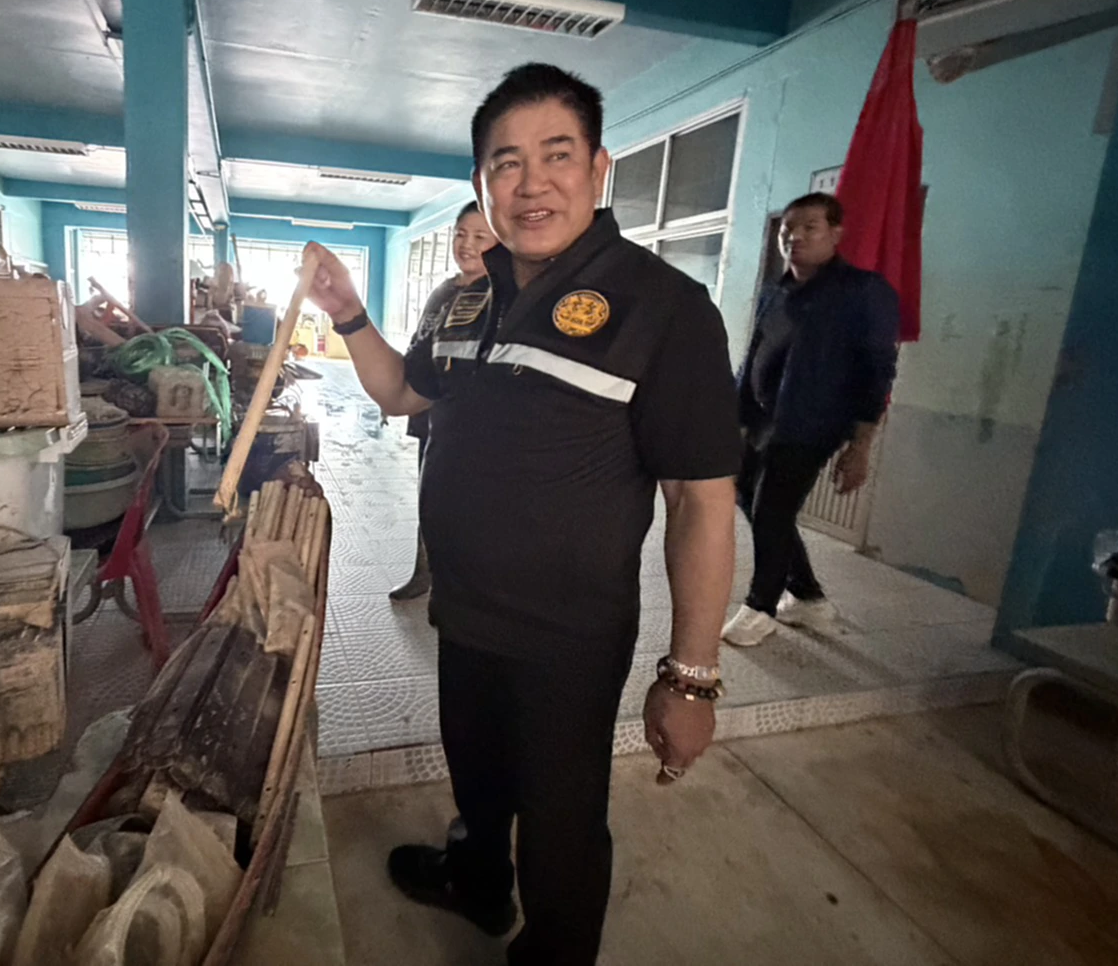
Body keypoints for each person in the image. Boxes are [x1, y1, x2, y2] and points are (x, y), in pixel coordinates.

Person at [303, 63, 742, 965]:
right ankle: (477, 882)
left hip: (567, 635)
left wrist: (690, 678)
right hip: (465, 612)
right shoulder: (469, 299)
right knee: (478, 776)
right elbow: (402, 395)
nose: (531, 182)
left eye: (556, 154)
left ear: (599, 168)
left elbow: (700, 502)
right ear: (481, 183)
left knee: (561, 823)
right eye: (506, 162)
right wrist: (346, 313)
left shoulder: (663, 309)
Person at [721, 192, 900, 648]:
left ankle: (760, 607)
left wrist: (861, 444)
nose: (795, 237)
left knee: (772, 509)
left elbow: (879, 370)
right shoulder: (776, 291)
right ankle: (807, 596)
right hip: (763, 420)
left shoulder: (862, 291)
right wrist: (735, 417)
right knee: (751, 497)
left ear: (835, 234)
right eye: (787, 230)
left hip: (813, 424)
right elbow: (755, 354)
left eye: (809, 228)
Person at [390, 201, 497, 601]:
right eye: (461, 234)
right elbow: (420, 344)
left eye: (480, 237)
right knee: (429, 495)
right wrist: (396, 390)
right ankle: (424, 572)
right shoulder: (444, 291)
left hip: (471, 425)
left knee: (468, 507)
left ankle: (461, 586)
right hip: (429, 411)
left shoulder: (501, 296)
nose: (467, 245)